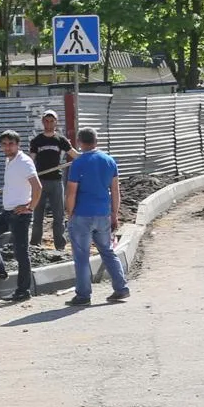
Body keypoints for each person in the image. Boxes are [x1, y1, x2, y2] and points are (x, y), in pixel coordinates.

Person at [63, 128, 131, 306]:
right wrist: (114, 214)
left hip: (82, 215)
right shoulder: (109, 161)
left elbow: (71, 192)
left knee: (81, 256)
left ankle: (83, 295)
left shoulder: (78, 163)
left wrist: (70, 213)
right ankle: (121, 288)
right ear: (96, 141)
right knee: (107, 251)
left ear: (79, 142)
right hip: (103, 214)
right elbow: (115, 191)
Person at [0, 130, 40, 302]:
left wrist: (30, 207)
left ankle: (23, 291)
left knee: (21, 253)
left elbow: (38, 187)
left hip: (20, 215)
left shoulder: (24, 162)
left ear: (18, 144)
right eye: (4, 144)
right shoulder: (9, 160)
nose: (7, 147)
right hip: (8, 212)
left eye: (11, 143)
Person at [27, 110, 73, 252]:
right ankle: (35, 244)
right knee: (37, 214)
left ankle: (60, 245)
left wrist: (88, 156)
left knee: (58, 215)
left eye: (51, 121)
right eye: (46, 121)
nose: (49, 123)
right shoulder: (37, 141)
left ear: (56, 122)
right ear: (43, 122)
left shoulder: (61, 140)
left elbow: (74, 154)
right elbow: (30, 160)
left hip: (56, 182)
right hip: (40, 182)